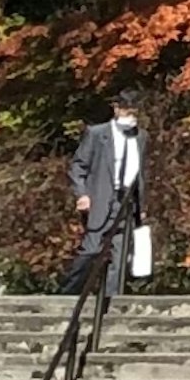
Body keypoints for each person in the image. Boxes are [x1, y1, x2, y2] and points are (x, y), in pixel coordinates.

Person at [68, 97, 148, 292]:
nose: (130, 116)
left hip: (126, 201)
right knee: (91, 250)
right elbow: (78, 166)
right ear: (117, 109)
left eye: (134, 112)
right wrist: (82, 194)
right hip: (101, 199)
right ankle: (68, 292)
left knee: (120, 257)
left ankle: (112, 302)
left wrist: (141, 207)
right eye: (127, 111)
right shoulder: (97, 134)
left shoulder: (141, 137)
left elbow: (140, 174)